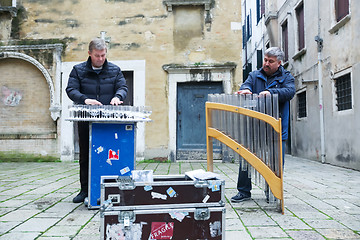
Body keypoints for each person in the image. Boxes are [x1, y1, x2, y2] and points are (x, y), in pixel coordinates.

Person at [66, 38, 128, 203]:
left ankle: (113, 188)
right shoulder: (78, 70)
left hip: (109, 122)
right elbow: (71, 89)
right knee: (86, 155)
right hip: (86, 120)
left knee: (112, 154)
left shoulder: (115, 70)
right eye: (97, 56)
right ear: (89, 54)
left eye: (103, 55)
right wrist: (85, 100)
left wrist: (117, 96)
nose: (100, 59)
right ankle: (85, 190)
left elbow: (123, 87)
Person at [231, 47, 295, 203]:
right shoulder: (254, 75)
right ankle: (244, 191)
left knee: (275, 164)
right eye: (265, 60)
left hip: (276, 129)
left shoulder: (287, 77)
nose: (266, 63)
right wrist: (245, 90)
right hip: (254, 127)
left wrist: (271, 93)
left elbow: (290, 92)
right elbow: (245, 86)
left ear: (279, 63)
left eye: (270, 61)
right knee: (246, 160)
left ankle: (272, 191)